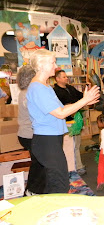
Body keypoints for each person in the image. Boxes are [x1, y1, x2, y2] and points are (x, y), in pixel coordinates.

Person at [26, 49, 100, 193]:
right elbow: (60, 114)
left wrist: (84, 102)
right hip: (46, 141)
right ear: (41, 65)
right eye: (53, 62)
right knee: (59, 182)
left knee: (45, 181)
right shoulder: (38, 88)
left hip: (50, 139)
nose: (56, 66)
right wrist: (84, 100)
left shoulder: (45, 86)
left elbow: (63, 108)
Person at [17, 65, 45, 196]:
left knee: (39, 163)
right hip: (29, 134)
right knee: (39, 163)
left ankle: (34, 189)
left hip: (27, 134)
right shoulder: (28, 93)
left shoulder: (25, 92)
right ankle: (32, 190)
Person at [53, 69, 86, 176]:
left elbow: (80, 96)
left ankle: (77, 166)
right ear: (57, 79)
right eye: (64, 77)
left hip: (76, 120)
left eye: (66, 76)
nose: (66, 78)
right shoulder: (55, 91)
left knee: (76, 144)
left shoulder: (70, 88)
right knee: (68, 146)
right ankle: (73, 167)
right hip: (64, 122)